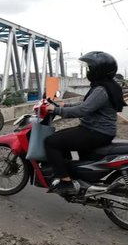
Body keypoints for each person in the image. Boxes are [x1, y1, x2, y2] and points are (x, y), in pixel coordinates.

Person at [45, 51, 126, 195]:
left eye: (90, 68)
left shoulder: (101, 89)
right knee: (61, 138)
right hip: (99, 130)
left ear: (98, 70)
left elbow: (83, 110)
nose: (88, 71)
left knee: (51, 142)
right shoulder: (106, 86)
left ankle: (66, 182)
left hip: (96, 132)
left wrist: (56, 110)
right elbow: (86, 104)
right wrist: (64, 106)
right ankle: (70, 173)